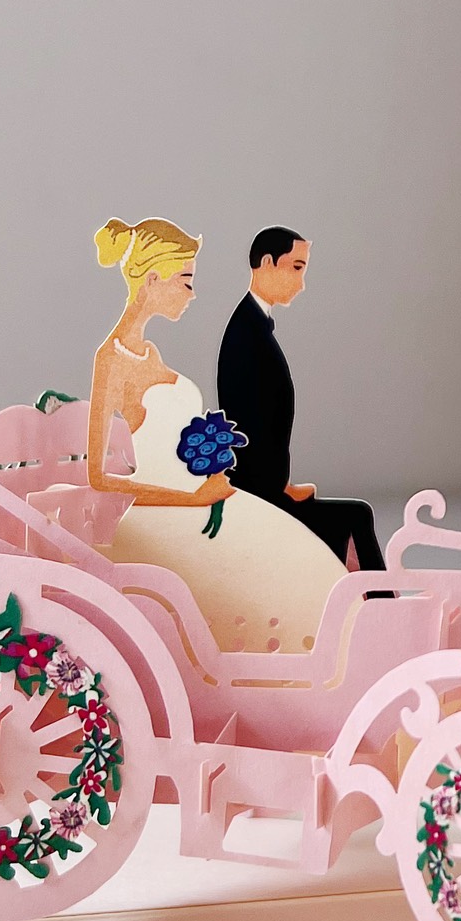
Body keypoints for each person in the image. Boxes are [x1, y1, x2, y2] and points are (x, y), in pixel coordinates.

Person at [86, 217, 347, 652]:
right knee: (287, 554)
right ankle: (311, 654)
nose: (192, 294)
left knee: (298, 542)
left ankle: (344, 642)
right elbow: (98, 478)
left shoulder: (150, 353)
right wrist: (191, 498)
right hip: (166, 517)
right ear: (153, 279)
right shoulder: (110, 362)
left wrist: (211, 463)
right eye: (185, 281)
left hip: (204, 496)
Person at [216, 225, 385, 572]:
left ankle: (371, 599)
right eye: (296, 267)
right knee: (356, 516)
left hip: (265, 485)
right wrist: (274, 490)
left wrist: (282, 485)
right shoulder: (246, 334)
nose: (302, 283)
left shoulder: (253, 327)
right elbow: (248, 424)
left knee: (355, 515)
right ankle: (375, 601)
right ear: (267, 263)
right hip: (257, 492)